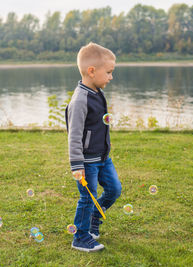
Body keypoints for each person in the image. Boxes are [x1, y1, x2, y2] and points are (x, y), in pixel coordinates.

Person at [65, 42, 122, 252]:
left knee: (115, 189)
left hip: (103, 157)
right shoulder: (80, 100)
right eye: (108, 72)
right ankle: (80, 237)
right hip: (86, 162)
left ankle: (94, 219)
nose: (111, 77)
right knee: (87, 198)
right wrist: (76, 165)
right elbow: (74, 136)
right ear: (91, 71)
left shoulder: (97, 91)